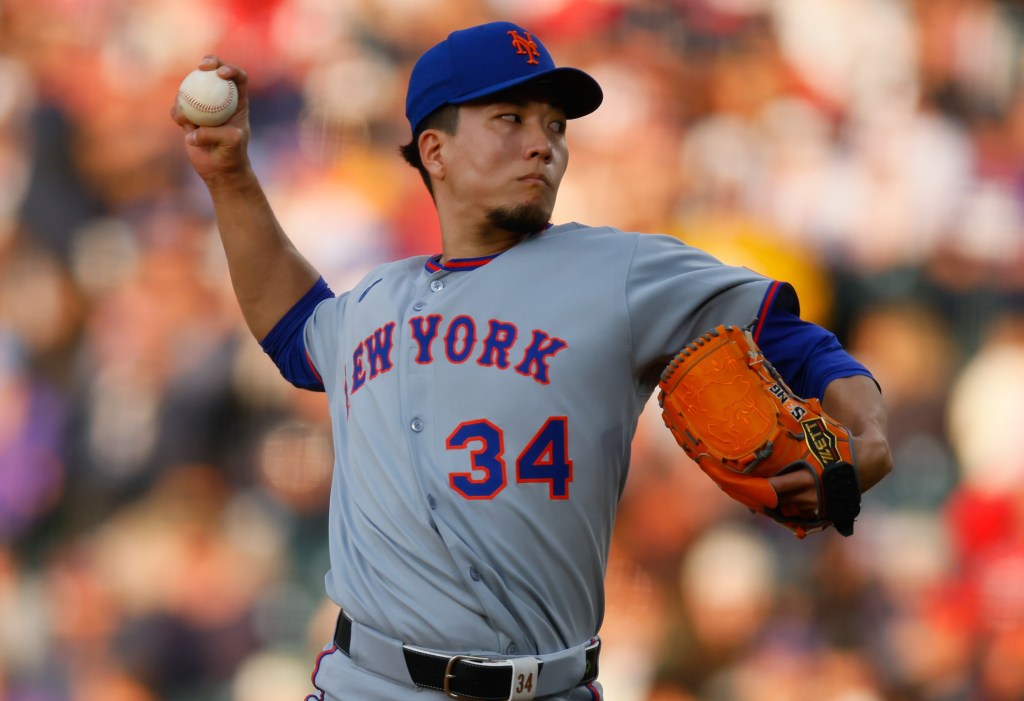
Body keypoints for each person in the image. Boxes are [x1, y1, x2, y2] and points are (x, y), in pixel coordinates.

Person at [172, 20, 892, 701]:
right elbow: (295, 330)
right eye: (510, 119)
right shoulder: (375, 300)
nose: (542, 143)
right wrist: (229, 175)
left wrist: (869, 433)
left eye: (553, 124)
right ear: (435, 150)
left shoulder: (621, 271)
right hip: (367, 682)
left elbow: (795, 340)